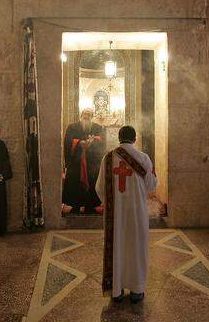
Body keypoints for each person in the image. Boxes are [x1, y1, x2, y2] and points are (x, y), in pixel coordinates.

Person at [95, 126, 157, 303]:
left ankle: (117, 291)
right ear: (135, 138)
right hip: (137, 213)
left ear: (119, 138)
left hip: (115, 216)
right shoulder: (143, 158)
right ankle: (137, 290)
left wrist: (111, 201)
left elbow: (99, 188)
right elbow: (152, 185)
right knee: (136, 248)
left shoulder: (108, 158)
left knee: (117, 247)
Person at [62, 108, 105, 214]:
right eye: (85, 114)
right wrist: (79, 143)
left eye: (89, 114)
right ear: (81, 115)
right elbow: (68, 141)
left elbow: (103, 141)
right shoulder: (72, 127)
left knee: (93, 183)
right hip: (76, 163)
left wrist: (94, 140)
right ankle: (73, 207)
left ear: (92, 117)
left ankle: (92, 206)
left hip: (92, 163)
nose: (86, 116)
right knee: (74, 183)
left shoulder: (97, 127)